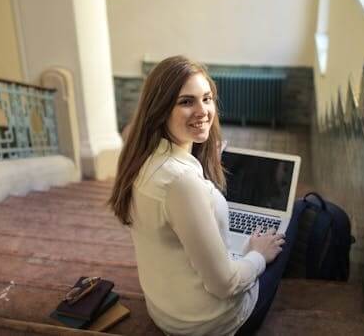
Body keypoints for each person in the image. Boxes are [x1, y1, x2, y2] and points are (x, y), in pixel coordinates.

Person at [109, 56, 300, 335]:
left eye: (207, 98)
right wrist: (257, 255)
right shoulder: (182, 183)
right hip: (210, 324)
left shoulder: (141, 154)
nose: (203, 111)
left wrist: (199, 159)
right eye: (186, 102)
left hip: (165, 311)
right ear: (160, 110)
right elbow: (224, 285)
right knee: (293, 220)